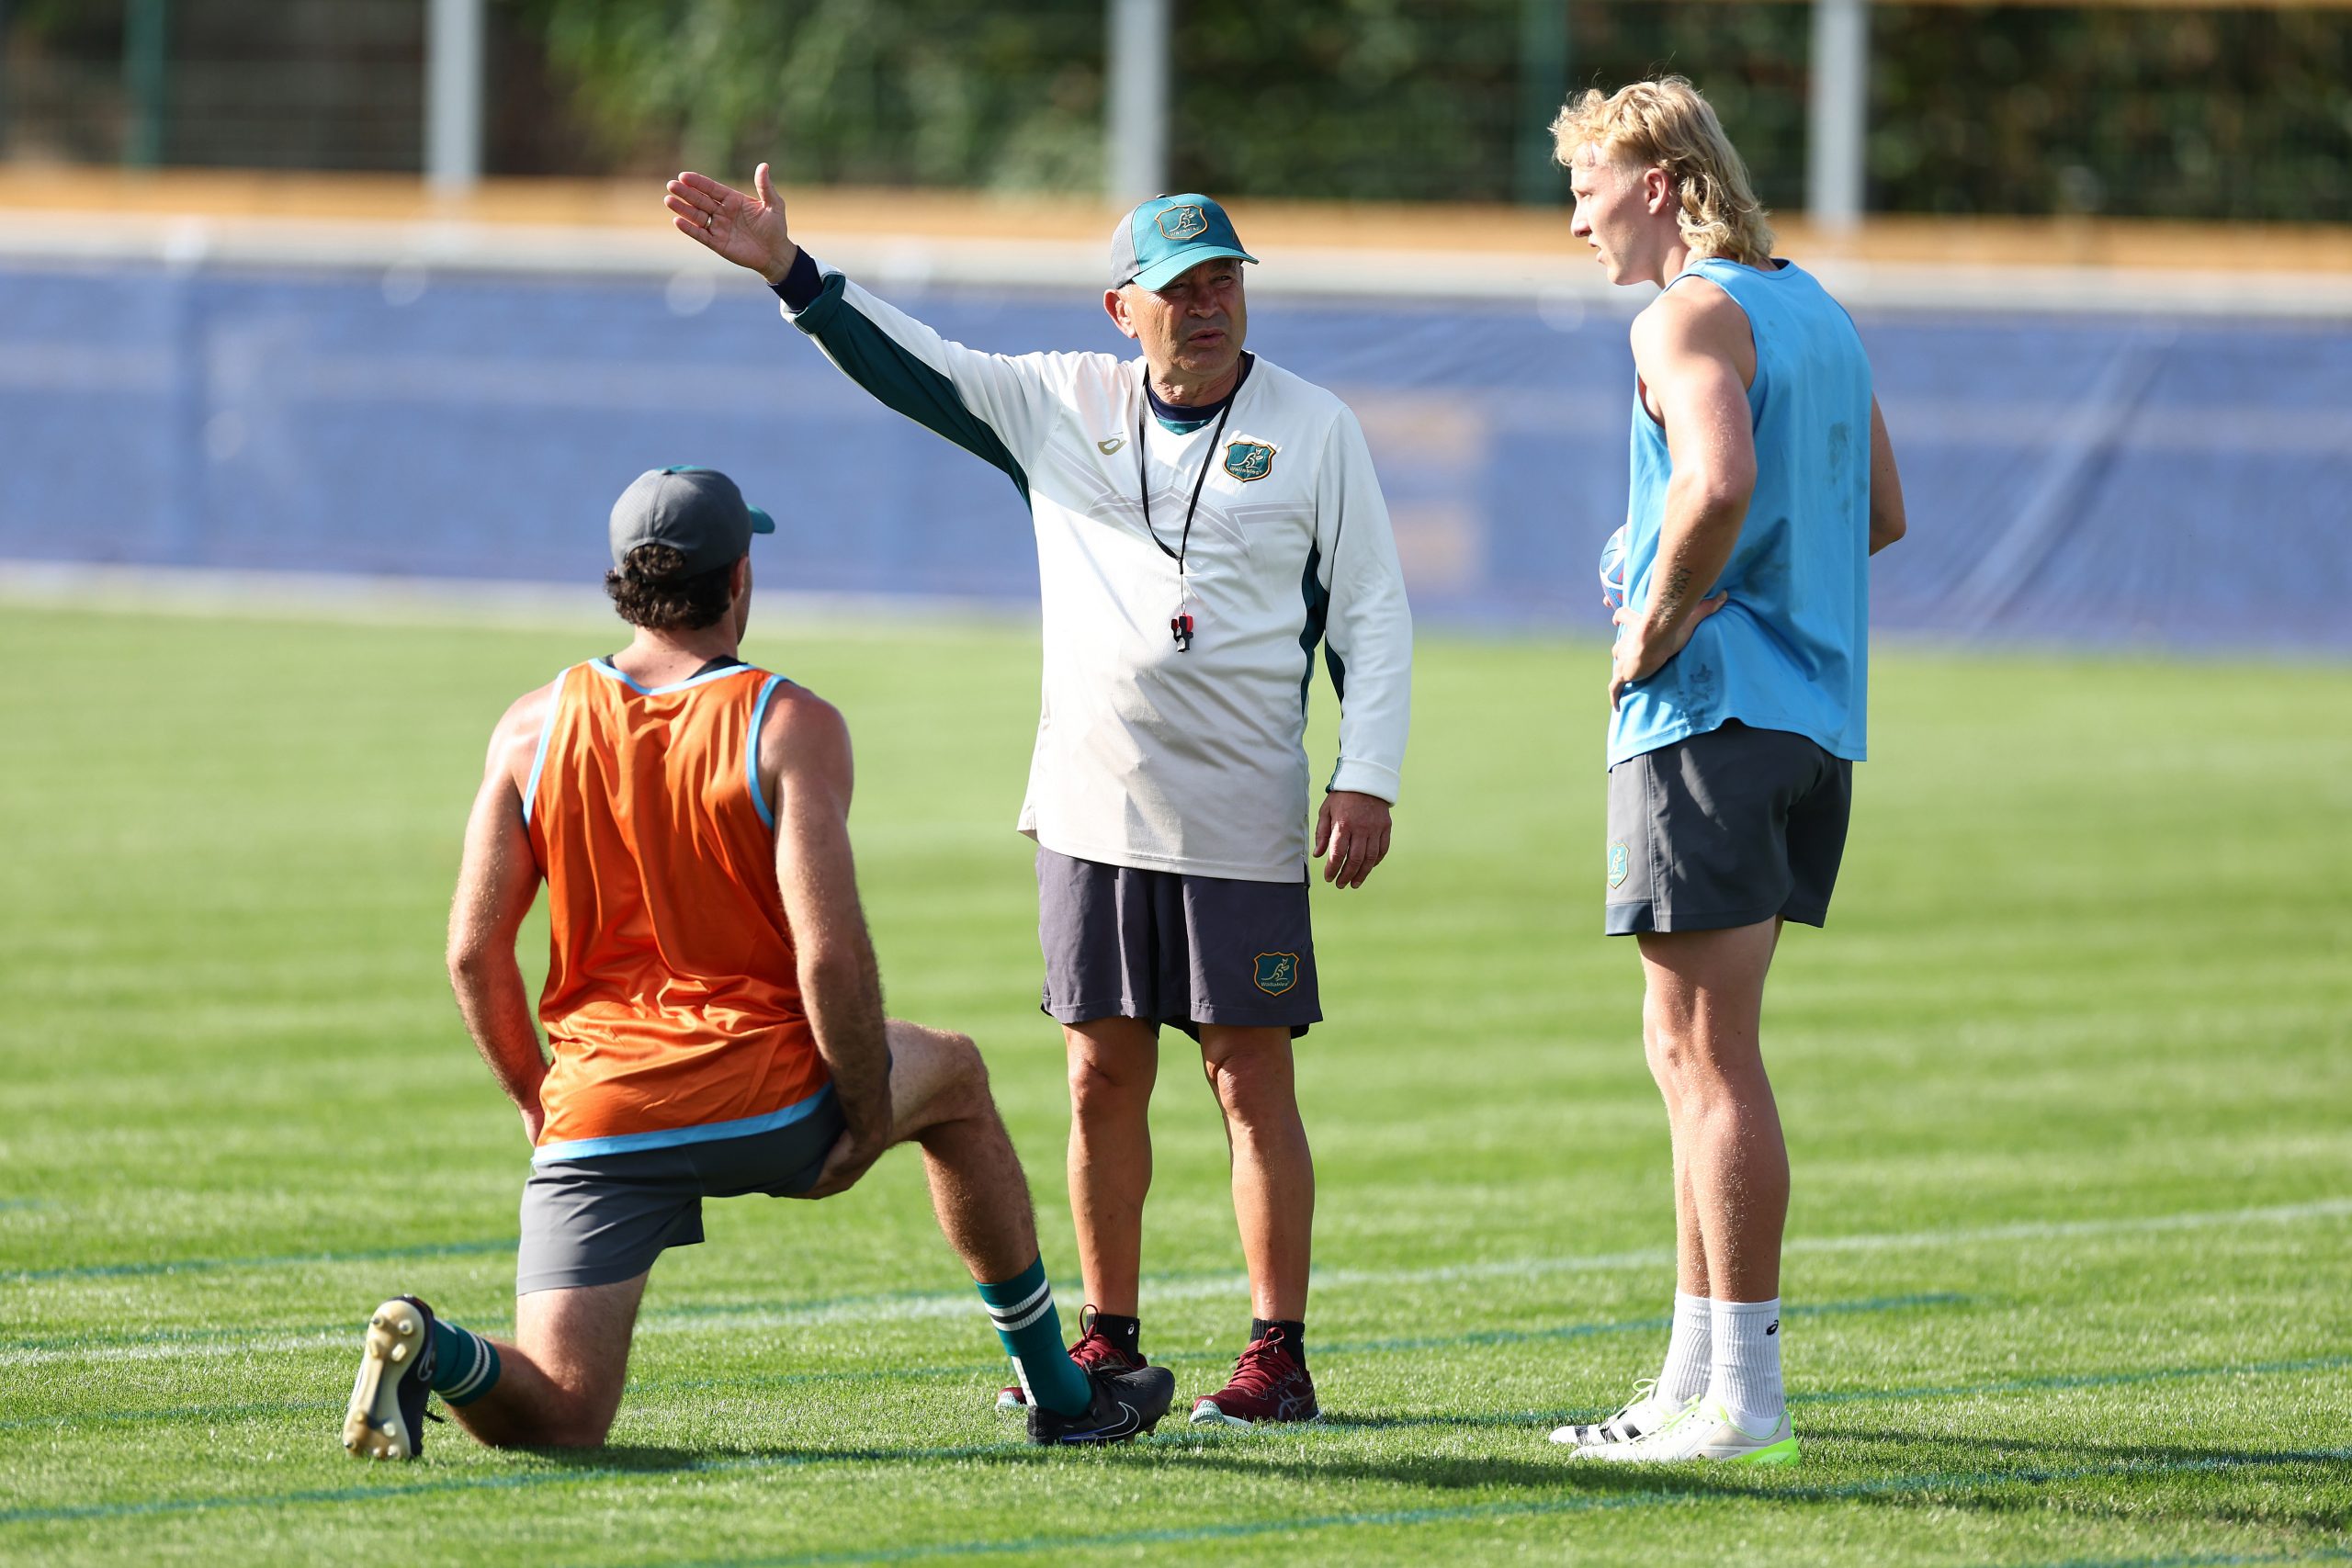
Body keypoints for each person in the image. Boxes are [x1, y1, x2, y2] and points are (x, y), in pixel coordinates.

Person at [663, 169, 1413, 1426]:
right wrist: (794, 275)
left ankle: (1276, 1353)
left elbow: (1375, 617)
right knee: (1096, 1078)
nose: (1209, 305)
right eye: (1179, 289)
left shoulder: (1318, 426)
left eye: (1225, 279)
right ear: (1125, 308)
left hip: (1241, 815)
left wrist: (1367, 772)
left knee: (1249, 1076)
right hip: (1091, 806)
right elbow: (919, 367)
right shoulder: (1064, 400)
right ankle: (1108, 1340)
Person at [341, 466, 1174, 1460]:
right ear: (738, 580)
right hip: (763, 1098)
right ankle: (1065, 1393)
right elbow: (828, 955)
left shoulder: (530, 726)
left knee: (564, 1413)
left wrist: (539, 1100)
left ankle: (438, 1349)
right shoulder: (788, 722)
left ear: (622, 581)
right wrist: (865, 1114)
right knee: (951, 1075)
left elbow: (473, 955)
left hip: (599, 1110)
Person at [1543, 78, 1908, 1465]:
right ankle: (1691, 1380)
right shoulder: (1816, 307)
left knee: (1708, 1060)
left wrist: (1659, 609)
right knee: (1688, 1051)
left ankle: (1743, 1401)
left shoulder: (1687, 310)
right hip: (1810, 723)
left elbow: (1719, 476)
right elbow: (1878, 511)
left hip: (1711, 721)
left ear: (1657, 181)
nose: (1576, 217)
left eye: (1587, 185)